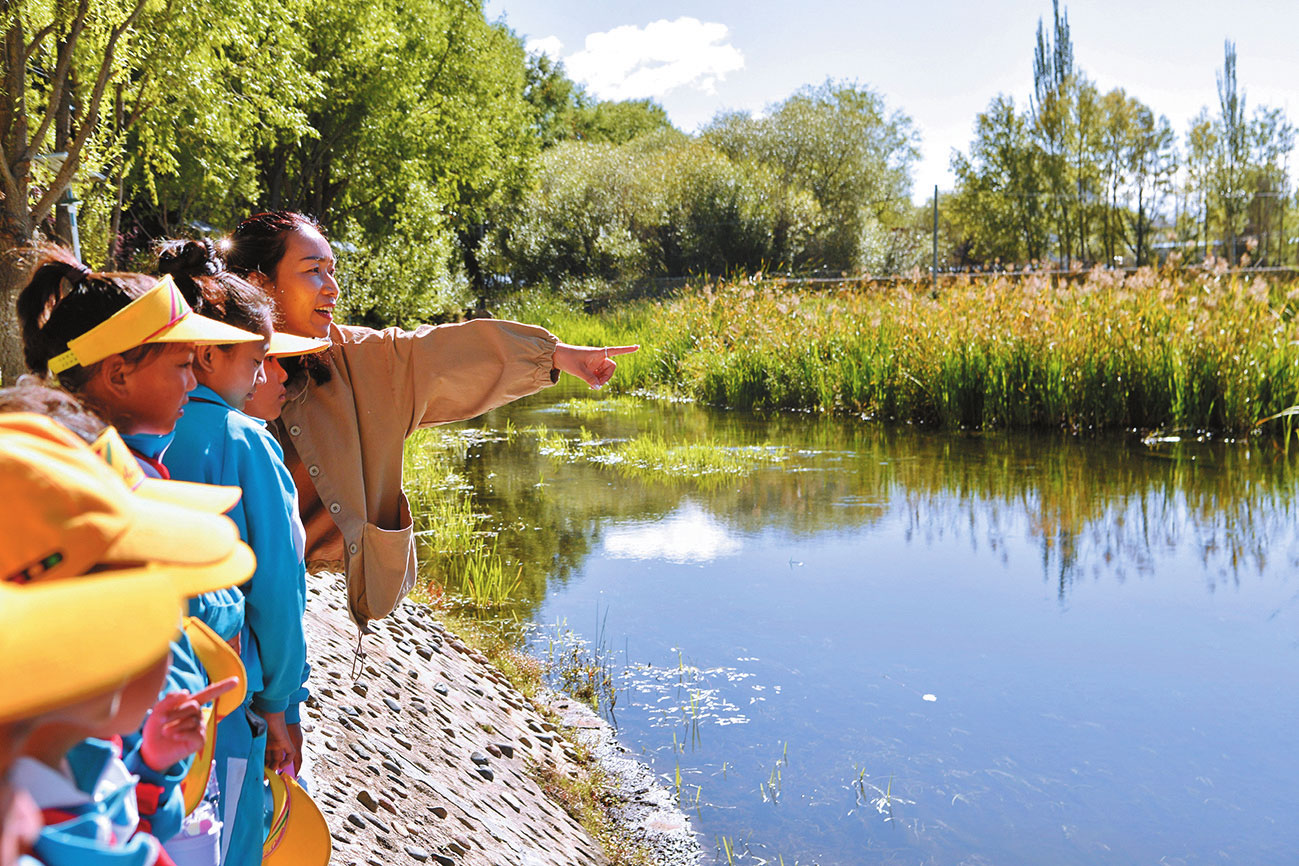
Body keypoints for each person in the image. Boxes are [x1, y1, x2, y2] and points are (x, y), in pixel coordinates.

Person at [224, 211, 638, 628]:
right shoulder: (202, 359)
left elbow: (438, 354)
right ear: (259, 282)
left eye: (332, 271)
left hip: (274, 600)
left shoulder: (356, 358)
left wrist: (556, 355)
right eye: (314, 271)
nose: (332, 288)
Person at [158, 240, 327, 866]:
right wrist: (281, 705)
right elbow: (278, 592)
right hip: (230, 694)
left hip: (151, 690)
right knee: (229, 836)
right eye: (258, 360)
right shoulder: (247, 441)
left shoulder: (135, 428)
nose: (266, 374)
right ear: (207, 354)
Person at [15, 247, 261, 476]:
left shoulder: (75, 461)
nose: (191, 383)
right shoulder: (93, 479)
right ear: (118, 375)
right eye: (184, 365)